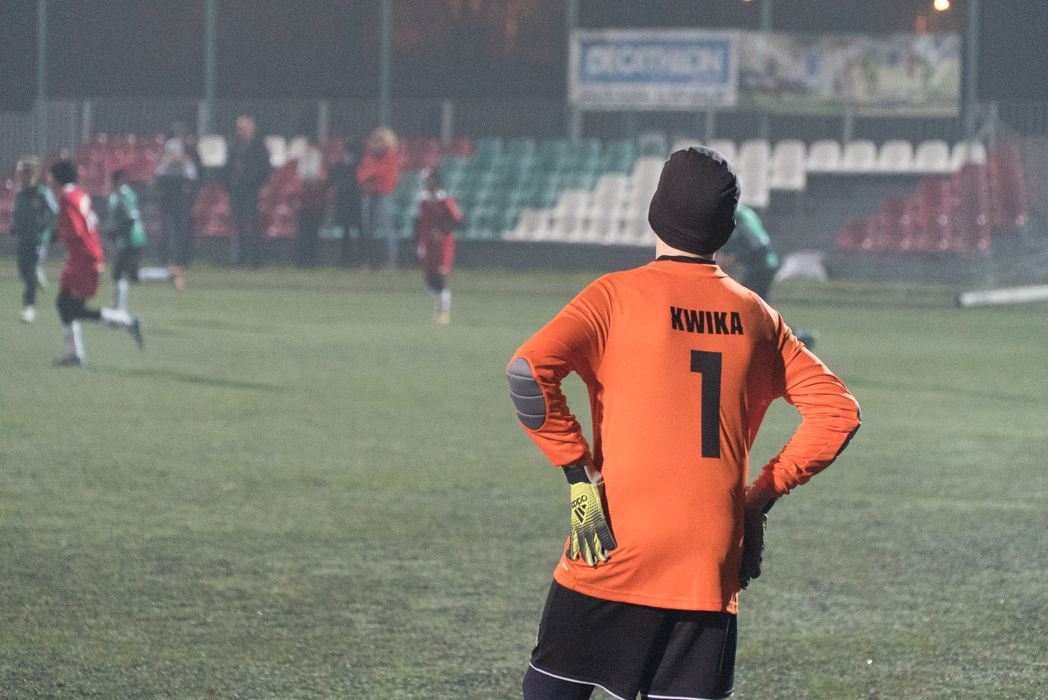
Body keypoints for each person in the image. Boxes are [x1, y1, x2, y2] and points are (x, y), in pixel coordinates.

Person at [506, 147, 861, 700]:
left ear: (654, 212)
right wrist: (756, 503)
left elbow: (528, 373)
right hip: (708, 552)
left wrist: (580, 478)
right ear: (726, 231)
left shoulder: (614, 297)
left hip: (613, 538)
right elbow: (839, 412)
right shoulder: (757, 316)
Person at [49, 160, 143, 367]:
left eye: (52, 177)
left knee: (68, 305)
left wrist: (56, 235)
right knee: (69, 306)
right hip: (85, 256)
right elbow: (91, 222)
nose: (50, 181)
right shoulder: (80, 194)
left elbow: (76, 229)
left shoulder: (65, 198)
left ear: (58, 178)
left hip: (84, 258)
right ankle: (77, 353)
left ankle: (126, 323)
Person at [11, 156, 57, 322]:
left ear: (33, 173)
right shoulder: (20, 195)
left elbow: (56, 211)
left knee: (30, 275)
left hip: (37, 240)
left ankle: (29, 307)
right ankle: (38, 274)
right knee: (24, 273)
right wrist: (15, 227)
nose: (23, 176)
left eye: (26, 172)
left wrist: (47, 230)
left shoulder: (43, 193)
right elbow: (18, 215)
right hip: (22, 240)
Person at [414, 169, 462, 324]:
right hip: (428, 245)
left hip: (443, 246)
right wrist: (419, 242)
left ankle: (444, 312)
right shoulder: (423, 202)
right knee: (431, 280)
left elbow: (458, 220)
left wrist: (441, 230)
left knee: (441, 277)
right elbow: (419, 223)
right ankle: (439, 309)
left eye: (429, 180)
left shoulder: (446, 201)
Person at [154, 136, 199, 290]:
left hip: (182, 206)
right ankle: (164, 262)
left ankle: (181, 262)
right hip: (168, 206)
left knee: (182, 235)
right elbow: (158, 179)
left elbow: (192, 181)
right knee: (166, 234)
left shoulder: (187, 165)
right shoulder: (164, 165)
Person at [226, 115, 272, 267]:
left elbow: (265, 169)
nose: (241, 131)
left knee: (251, 224)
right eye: (239, 128)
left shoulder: (259, 146)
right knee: (238, 224)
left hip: (252, 191)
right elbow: (228, 167)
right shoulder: (233, 145)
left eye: (244, 128)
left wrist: (255, 183)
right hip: (236, 190)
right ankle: (239, 258)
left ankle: (253, 259)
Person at [356, 127, 400, 269]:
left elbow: (385, 175)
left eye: (380, 140)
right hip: (369, 193)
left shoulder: (390, 156)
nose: (377, 143)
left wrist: (372, 173)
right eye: (375, 140)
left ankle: (391, 259)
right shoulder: (369, 156)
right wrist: (372, 174)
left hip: (384, 194)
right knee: (367, 228)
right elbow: (361, 175)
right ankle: (366, 260)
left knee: (387, 226)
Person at [106, 170, 148, 312]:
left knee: (121, 273)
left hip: (132, 239)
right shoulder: (123, 194)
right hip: (131, 238)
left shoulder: (124, 195)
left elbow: (129, 218)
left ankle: (118, 309)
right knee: (124, 273)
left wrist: (117, 233)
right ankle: (117, 308)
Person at [328, 141, 363, 268]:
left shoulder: (359, 166)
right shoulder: (340, 166)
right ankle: (346, 258)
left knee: (360, 230)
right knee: (346, 230)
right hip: (343, 202)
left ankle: (362, 257)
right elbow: (332, 180)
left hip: (355, 202)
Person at [294, 145, 327, 269]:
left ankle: (311, 260)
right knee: (303, 232)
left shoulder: (321, 165)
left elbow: (323, 179)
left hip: (315, 204)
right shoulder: (301, 163)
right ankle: (302, 260)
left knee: (313, 233)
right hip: (304, 203)